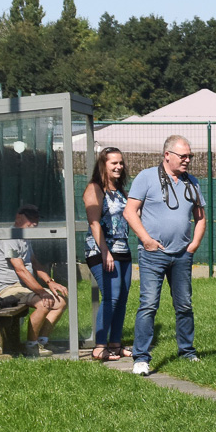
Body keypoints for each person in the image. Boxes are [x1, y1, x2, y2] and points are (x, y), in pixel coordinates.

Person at [124, 135, 207, 376]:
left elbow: (200, 216)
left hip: (182, 254)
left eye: (190, 156)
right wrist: (147, 240)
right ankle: (141, 357)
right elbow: (130, 212)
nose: (187, 160)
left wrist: (194, 245)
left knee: (184, 304)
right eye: (183, 156)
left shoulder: (192, 182)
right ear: (167, 155)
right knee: (148, 305)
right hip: (153, 255)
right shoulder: (146, 177)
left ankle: (187, 352)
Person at [0, 203, 68, 357]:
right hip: (6, 289)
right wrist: (41, 292)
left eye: (37, 219)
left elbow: (34, 263)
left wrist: (49, 282)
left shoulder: (25, 237)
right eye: (31, 219)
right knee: (43, 303)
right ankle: (31, 347)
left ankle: (42, 341)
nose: (35, 223)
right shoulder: (10, 237)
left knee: (61, 302)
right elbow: (20, 270)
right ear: (18, 218)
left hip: (21, 288)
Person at [83, 146, 134, 361]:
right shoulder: (94, 188)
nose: (119, 167)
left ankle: (115, 344)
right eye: (114, 163)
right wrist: (105, 251)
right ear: (103, 165)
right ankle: (99, 346)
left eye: (121, 163)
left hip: (123, 250)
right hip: (102, 251)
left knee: (122, 297)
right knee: (111, 297)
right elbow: (94, 223)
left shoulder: (120, 190)